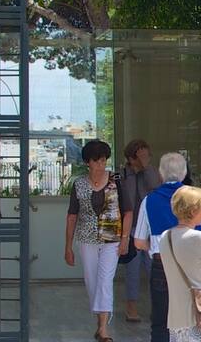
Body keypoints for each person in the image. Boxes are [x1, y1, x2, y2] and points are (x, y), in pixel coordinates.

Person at [133, 152, 201, 342]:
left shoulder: (149, 201)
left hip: (161, 266)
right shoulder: (197, 199)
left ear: (160, 174)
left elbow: (139, 242)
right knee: (195, 319)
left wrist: (153, 249)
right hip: (194, 267)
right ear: (184, 172)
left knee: (161, 321)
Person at [65, 140, 129, 342]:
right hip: (86, 238)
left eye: (104, 159)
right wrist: (68, 246)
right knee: (91, 280)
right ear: (88, 162)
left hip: (113, 238)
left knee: (105, 280)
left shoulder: (117, 179)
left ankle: (103, 329)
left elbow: (128, 210)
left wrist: (125, 238)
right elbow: (72, 216)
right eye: (97, 160)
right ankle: (99, 319)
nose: (101, 164)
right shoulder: (79, 184)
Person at [117, 139, 160, 323]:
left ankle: (158, 307)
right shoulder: (123, 175)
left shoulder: (151, 172)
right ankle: (131, 307)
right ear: (131, 157)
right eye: (140, 155)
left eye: (146, 155)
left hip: (151, 228)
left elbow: (156, 187)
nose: (144, 158)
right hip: (131, 228)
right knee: (132, 271)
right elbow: (126, 197)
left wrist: (146, 167)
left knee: (154, 270)